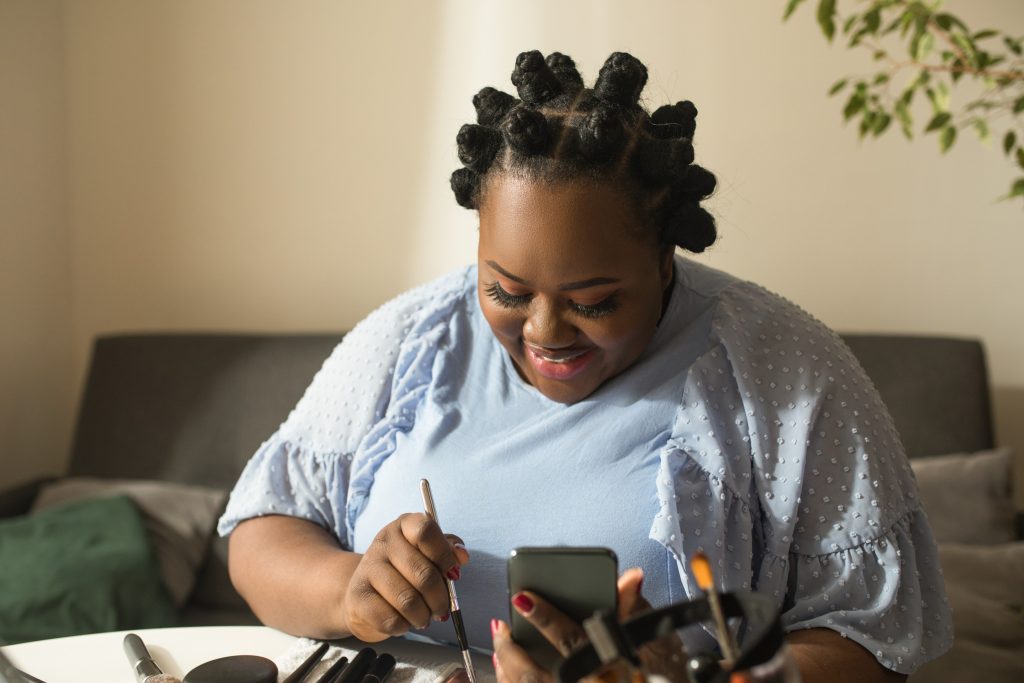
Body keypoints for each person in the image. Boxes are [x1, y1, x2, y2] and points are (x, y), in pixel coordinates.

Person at [219, 51, 952, 682]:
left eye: (594, 302)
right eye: (505, 289)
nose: (544, 332)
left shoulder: (787, 368)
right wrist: (347, 586)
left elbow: (871, 639)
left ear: (666, 258)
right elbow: (263, 527)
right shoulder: (412, 337)